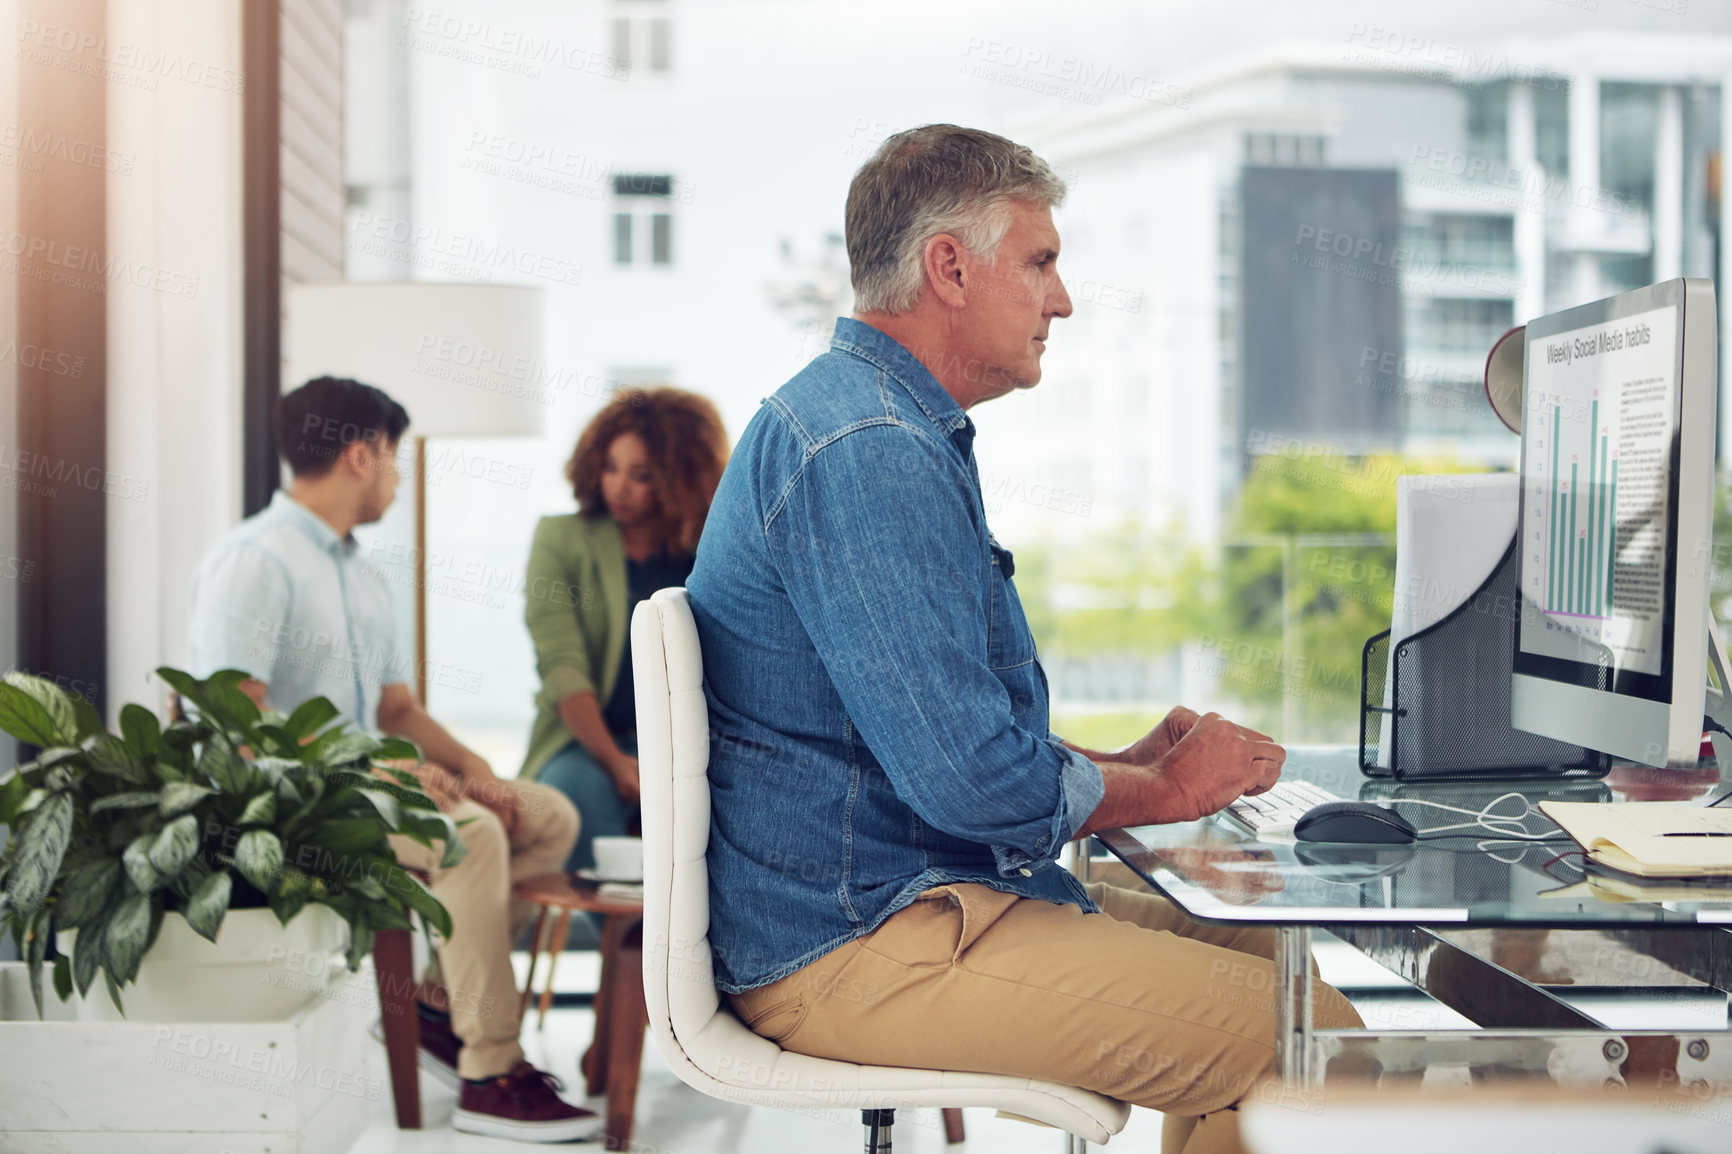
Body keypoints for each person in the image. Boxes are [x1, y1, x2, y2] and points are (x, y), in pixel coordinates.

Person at [685, 125, 1364, 1154]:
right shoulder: (868, 450)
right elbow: (966, 776)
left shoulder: (875, 423)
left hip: (898, 896)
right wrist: (1171, 794)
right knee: (1321, 1048)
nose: (1063, 297)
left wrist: (1125, 765)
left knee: (1295, 982)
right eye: (1041, 261)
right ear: (949, 267)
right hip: (862, 941)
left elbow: (931, 736)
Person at [186, 376, 597, 1144]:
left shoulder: (359, 573)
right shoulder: (253, 560)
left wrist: (482, 769)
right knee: (468, 835)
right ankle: (491, 1072)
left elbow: (395, 710)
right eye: (395, 458)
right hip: (286, 804)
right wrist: (378, 772)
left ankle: (441, 1009)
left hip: (359, 783)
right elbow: (235, 719)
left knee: (544, 814)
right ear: (360, 454)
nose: (399, 477)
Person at [519, 388, 728, 871]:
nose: (619, 487)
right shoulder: (560, 539)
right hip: (585, 744)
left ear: (679, 479)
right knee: (578, 789)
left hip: (689, 742)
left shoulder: (707, 549)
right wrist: (616, 762)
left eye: (641, 476)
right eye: (611, 467)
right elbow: (562, 668)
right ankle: (624, 942)